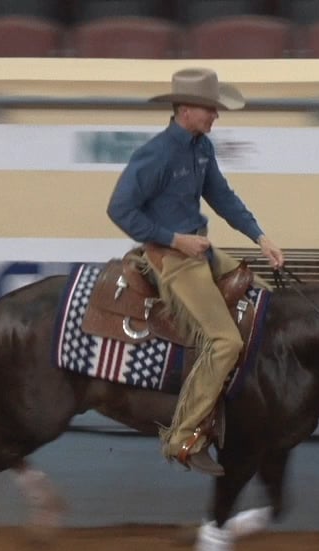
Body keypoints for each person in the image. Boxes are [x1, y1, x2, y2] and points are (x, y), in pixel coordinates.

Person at [107, 67, 285, 476]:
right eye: (210, 109)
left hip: (199, 250)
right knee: (224, 341)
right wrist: (173, 239)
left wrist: (261, 237)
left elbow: (222, 196)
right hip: (172, 258)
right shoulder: (155, 155)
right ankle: (183, 436)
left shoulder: (201, 148)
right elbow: (120, 209)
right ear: (186, 109)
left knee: (263, 302)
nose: (216, 116)